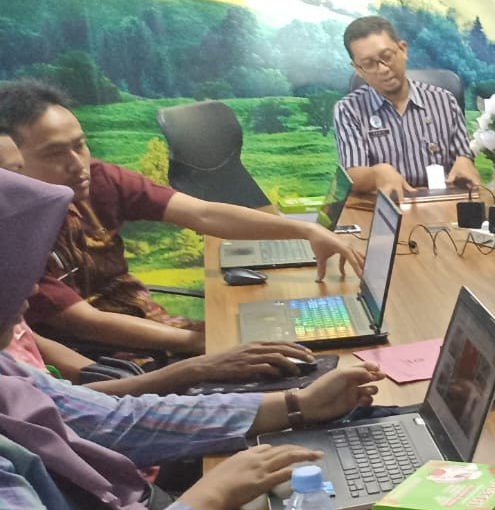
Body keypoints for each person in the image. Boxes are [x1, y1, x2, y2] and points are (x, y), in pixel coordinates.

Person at [0, 167, 384, 510]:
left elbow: (112, 421)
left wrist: (295, 407)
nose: (33, 291)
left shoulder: (5, 368)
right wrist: (204, 501)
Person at [0, 80, 363, 357]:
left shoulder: (100, 179)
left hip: (154, 325)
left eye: (79, 145)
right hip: (104, 358)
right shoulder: (13, 236)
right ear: (12, 161)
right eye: (55, 153)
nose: (77, 164)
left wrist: (304, 230)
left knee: (301, 343)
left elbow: (203, 212)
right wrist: (209, 344)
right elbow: (85, 323)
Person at [334, 15, 479, 201]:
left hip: (441, 204)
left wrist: (465, 162)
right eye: (369, 64)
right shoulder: (349, 110)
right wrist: (376, 174)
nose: (383, 69)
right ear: (358, 69)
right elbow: (353, 175)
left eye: (387, 57)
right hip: (386, 207)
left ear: (402, 50)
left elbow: (462, 159)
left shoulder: (445, 101)